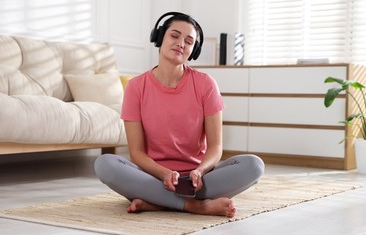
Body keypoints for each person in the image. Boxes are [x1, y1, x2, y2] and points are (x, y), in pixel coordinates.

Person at [94, 12, 264, 218]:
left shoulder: (205, 84)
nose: (181, 44)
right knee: (105, 164)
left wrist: (200, 171)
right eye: (174, 36)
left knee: (254, 165)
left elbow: (216, 147)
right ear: (160, 38)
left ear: (193, 50)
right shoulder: (136, 87)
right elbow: (136, 153)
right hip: (153, 177)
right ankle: (195, 206)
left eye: (189, 41)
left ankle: (157, 201)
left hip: (198, 180)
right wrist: (163, 173)